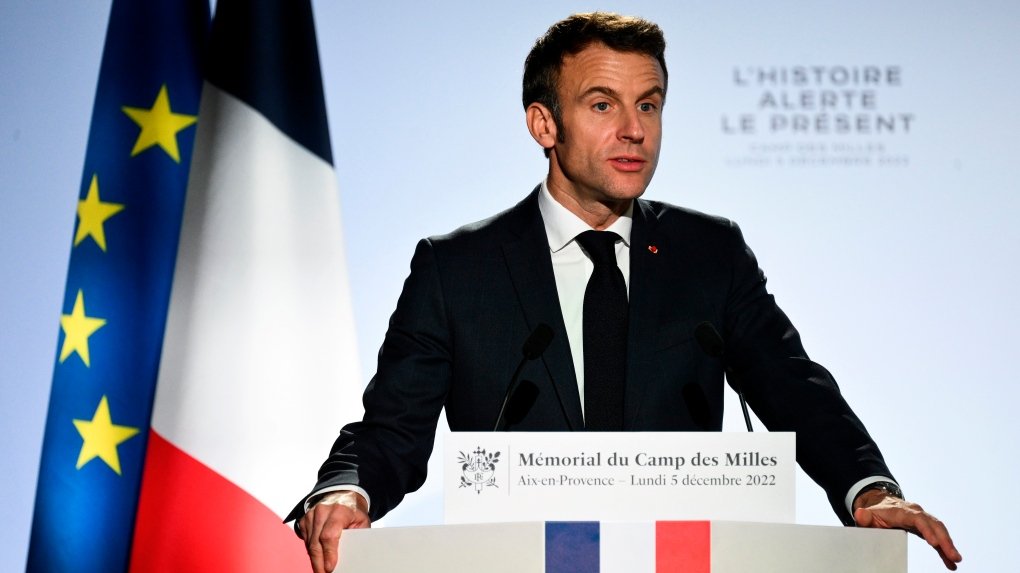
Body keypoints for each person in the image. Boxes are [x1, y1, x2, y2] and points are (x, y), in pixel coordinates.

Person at [288, 12, 962, 573]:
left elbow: (794, 389)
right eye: (602, 104)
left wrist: (869, 488)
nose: (634, 129)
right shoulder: (457, 270)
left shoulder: (710, 254)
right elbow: (392, 431)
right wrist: (346, 488)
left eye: (649, 104)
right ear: (544, 125)